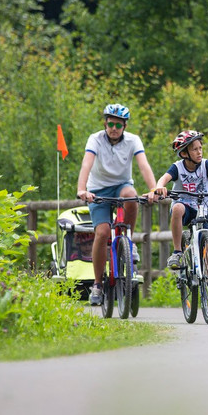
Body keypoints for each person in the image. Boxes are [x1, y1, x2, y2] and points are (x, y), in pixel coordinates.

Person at [76, 103, 157, 306]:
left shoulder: (133, 140)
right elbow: (86, 163)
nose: (113, 128)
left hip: (121, 186)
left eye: (118, 125)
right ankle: (97, 284)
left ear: (125, 126)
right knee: (102, 233)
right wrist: (82, 189)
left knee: (131, 195)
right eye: (110, 124)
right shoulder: (95, 139)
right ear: (105, 123)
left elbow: (143, 165)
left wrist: (154, 189)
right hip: (98, 191)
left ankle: (126, 239)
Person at [153, 130, 208, 302]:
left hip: (204, 207)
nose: (199, 152)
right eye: (194, 149)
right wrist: (160, 187)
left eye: (200, 148)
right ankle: (178, 252)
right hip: (186, 207)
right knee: (178, 207)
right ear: (184, 153)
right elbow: (164, 179)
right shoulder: (178, 167)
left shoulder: (205, 165)